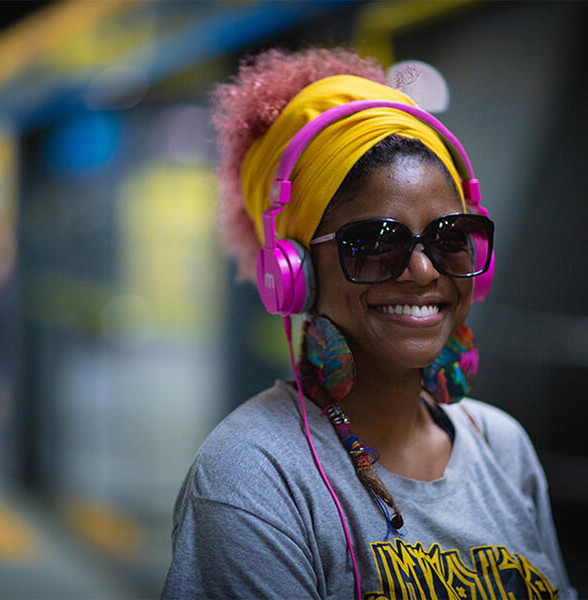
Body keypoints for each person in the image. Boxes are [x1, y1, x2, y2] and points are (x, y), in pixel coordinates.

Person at [161, 47, 575, 599]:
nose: (424, 271)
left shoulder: (503, 445)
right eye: (377, 244)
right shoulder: (253, 477)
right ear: (295, 273)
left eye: (450, 238)